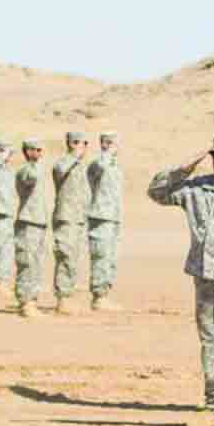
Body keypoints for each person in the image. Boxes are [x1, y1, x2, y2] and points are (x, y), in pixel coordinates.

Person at [147, 133, 214, 426]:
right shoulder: (196, 188)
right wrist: (184, 167)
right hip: (204, 275)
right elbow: (156, 192)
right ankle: (212, 404)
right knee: (210, 344)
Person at [51, 131, 90, 314]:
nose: (81, 147)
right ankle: (63, 299)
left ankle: (68, 296)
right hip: (66, 217)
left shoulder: (80, 166)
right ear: (69, 143)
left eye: (83, 143)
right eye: (76, 142)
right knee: (65, 256)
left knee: (73, 259)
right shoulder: (64, 162)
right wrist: (74, 155)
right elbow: (58, 171)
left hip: (78, 218)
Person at [86, 132, 124, 311]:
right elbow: (99, 166)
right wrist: (107, 151)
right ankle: (98, 297)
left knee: (110, 257)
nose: (117, 147)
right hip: (100, 217)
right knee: (100, 255)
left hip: (113, 217)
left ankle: (104, 294)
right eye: (111, 143)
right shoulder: (98, 164)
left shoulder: (115, 167)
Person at [15, 139, 49, 317]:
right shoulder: (25, 170)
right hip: (27, 222)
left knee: (37, 263)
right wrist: (34, 162)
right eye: (35, 149)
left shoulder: (39, 168)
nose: (39, 152)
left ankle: (32, 300)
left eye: (41, 149)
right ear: (28, 152)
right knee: (26, 262)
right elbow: (30, 179)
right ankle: (25, 302)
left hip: (39, 221)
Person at [0, 141, 17, 295]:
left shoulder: (8, 169)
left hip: (7, 212)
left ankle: (2, 280)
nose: (10, 156)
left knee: (6, 247)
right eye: (8, 153)